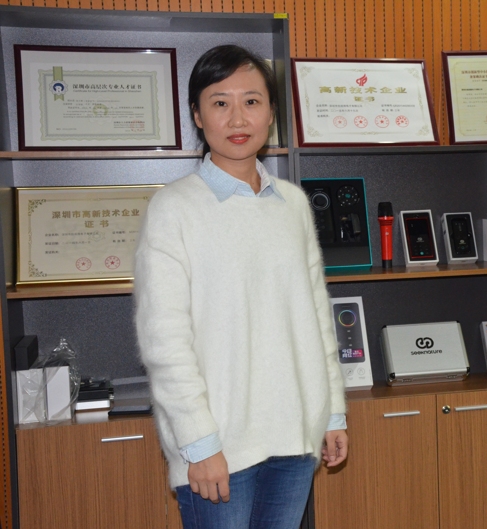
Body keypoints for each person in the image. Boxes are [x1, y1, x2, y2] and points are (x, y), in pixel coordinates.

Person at [134, 44, 348, 529]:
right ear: (198, 115)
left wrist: (332, 413)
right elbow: (163, 339)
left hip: (294, 438)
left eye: (251, 101)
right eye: (220, 102)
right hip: (218, 447)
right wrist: (198, 442)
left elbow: (316, 317)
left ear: (271, 113)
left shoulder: (292, 203)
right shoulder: (174, 208)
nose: (237, 118)